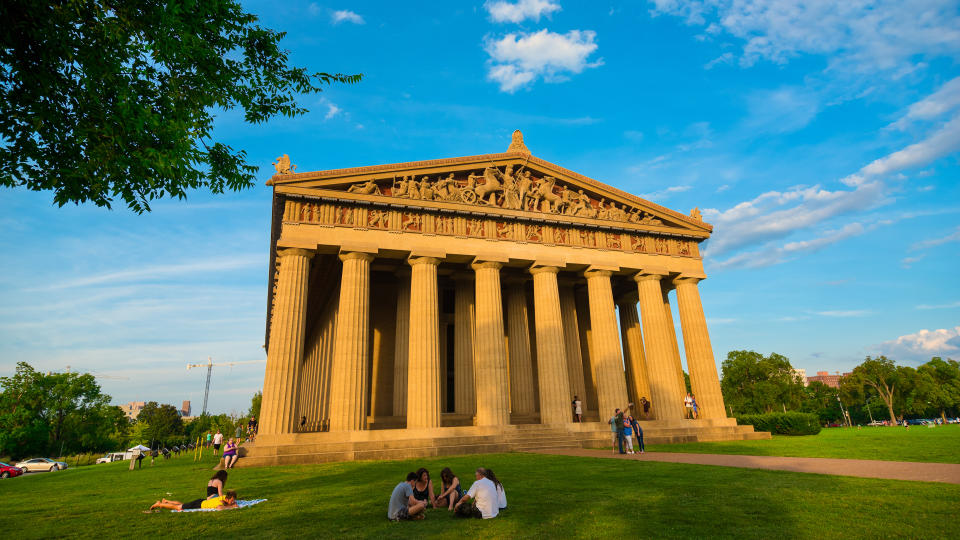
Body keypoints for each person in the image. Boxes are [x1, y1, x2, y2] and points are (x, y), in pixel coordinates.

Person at [150, 490, 238, 512]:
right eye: (232, 500)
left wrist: (231, 504)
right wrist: (231, 507)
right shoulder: (221, 502)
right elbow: (219, 508)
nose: (233, 502)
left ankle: (166, 501)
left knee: (183, 504)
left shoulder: (223, 497)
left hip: (202, 501)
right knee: (178, 507)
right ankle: (159, 504)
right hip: (199, 505)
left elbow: (226, 503)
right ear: (227, 498)